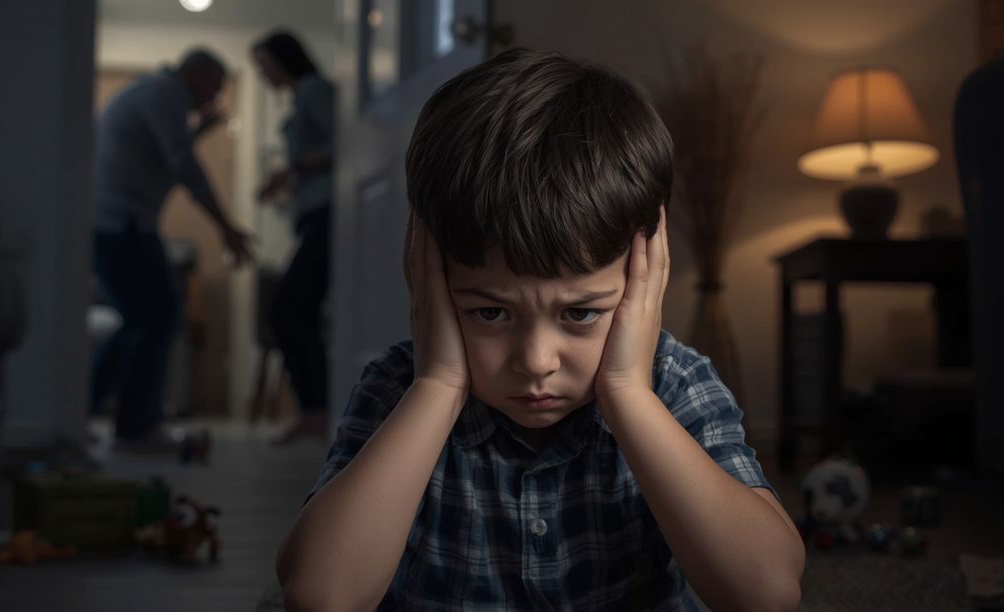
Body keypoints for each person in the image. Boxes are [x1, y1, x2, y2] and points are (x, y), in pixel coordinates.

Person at [276, 49, 805, 610]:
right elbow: (320, 596)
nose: (535, 360)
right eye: (490, 313)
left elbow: (766, 593)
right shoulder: (399, 386)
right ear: (430, 280)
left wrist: (628, 394)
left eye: (580, 313)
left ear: (644, 277)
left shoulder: (673, 382)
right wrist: (438, 385)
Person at [91, 49, 252, 448]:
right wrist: (227, 229)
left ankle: (90, 411)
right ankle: (135, 426)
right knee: (159, 316)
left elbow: (161, 154)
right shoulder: (166, 95)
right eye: (215, 87)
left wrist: (199, 131)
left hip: (114, 224)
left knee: (141, 320)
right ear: (197, 74)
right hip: (123, 225)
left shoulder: (152, 92)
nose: (214, 97)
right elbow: (183, 166)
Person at [251, 31, 335, 443]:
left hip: (328, 214)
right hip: (314, 215)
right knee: (299, 312)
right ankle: (316, 412)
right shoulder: (302, 97)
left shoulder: (314, 89)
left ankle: (317, 412)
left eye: (263, 64)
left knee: (287, 311)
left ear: (282, 59)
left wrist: (293, 170)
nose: (261, 73)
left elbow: (344, 140)